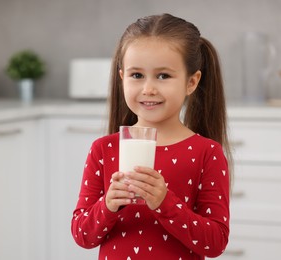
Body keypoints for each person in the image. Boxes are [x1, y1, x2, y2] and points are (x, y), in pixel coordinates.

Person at [71, 13, 232, 260]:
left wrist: (165, 203)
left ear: (191, 82)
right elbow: (82, 235)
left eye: (163, 75)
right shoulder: (103, 149)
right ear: (122, 77)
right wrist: (108, 205)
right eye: (137, 75)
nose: (149, 89)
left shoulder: (207, 152)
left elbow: (215, 243)